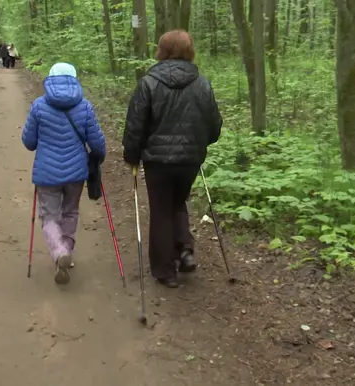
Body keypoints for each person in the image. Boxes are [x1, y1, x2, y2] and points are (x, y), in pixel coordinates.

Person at [121, 30, 223, 288]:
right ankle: (184, 250)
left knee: (162, 210)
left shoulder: (148, 83)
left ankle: (165, 270)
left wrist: (132, 155)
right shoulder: (202, 84)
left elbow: (135, 125)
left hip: (158, 161)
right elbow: (214, 126)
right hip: (189, 160)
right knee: (178, 203)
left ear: (162, 50)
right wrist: (198, 145)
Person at [22, 63, 106, 285]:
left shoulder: (39, 106)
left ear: (50, 80)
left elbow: (29, 142)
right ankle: (66, 250)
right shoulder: (85, 106)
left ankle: (59, 252)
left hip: (46, 173)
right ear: (75, 79)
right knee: (70, 212)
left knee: (49, 216)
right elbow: (97, 142)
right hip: (76, 172)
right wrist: (99, 157)